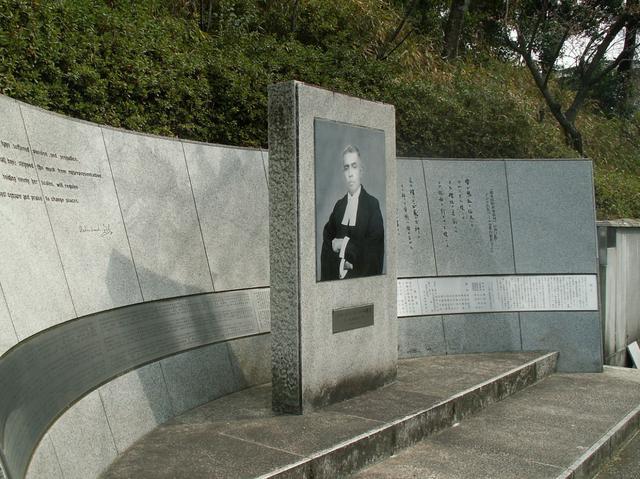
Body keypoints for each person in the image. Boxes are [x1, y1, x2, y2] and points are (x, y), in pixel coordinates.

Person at [320, 144, 384, 280]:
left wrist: (344, 245)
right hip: (338, 283)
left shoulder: (372, 205)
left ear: (361, 171)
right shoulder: (339, 207)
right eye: (346, 167)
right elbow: (326, 247)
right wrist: (341, 265)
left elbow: (374, 251)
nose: (350, 173)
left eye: (354, 166)